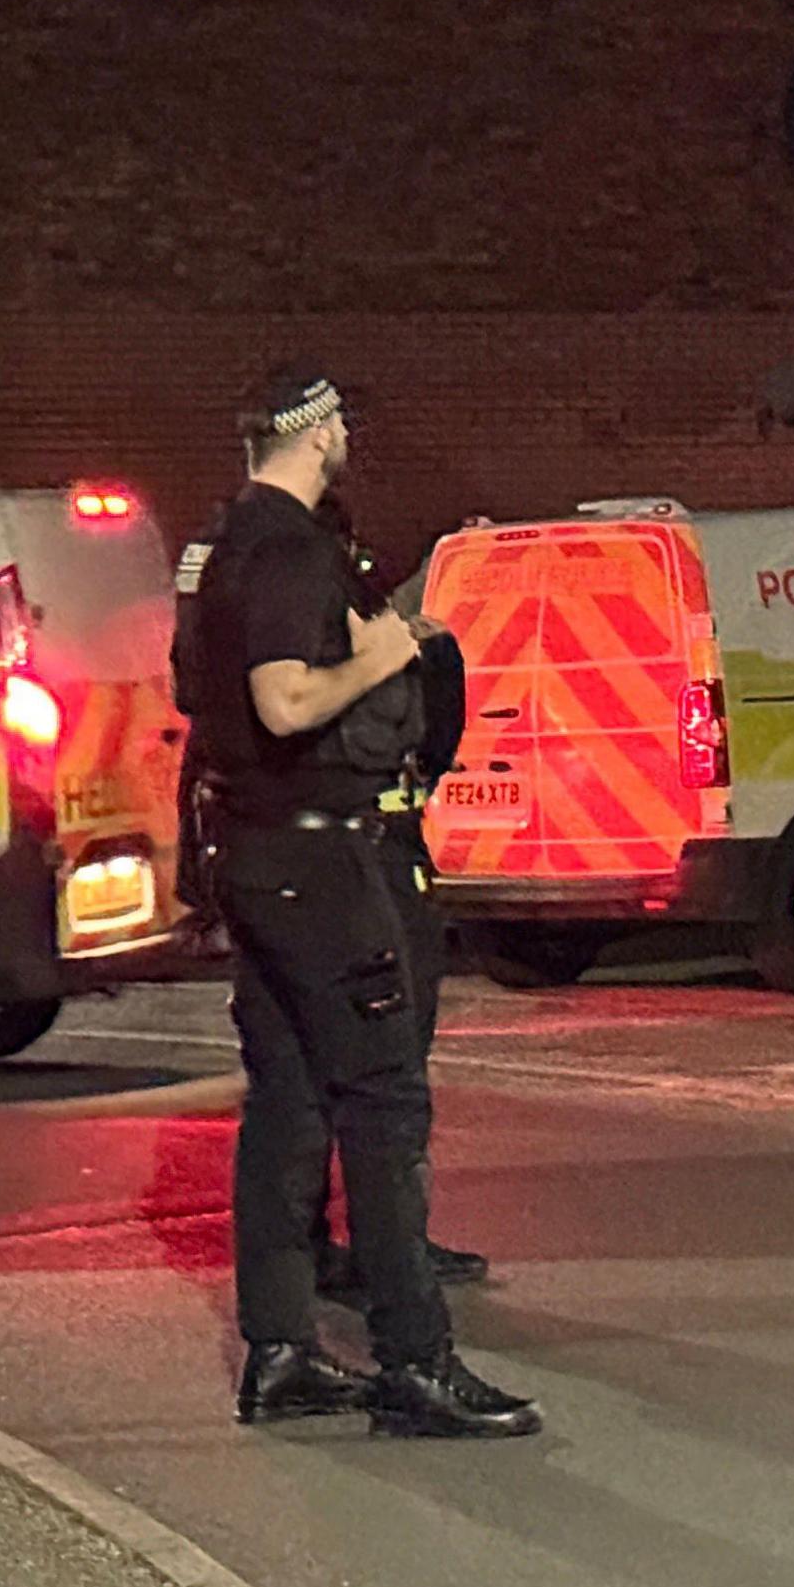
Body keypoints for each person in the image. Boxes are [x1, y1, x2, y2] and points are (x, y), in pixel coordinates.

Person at [174, 374, 541, 1438]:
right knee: (383, 1105)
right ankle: (415, 1363)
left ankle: (281, 1352)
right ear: (314, 433)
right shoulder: (289, 547)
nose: (346, 438)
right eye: (338, 424)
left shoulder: (216, 548)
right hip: (320, 860)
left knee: (288, 1101)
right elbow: (282, 699)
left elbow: (201, 695)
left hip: (252, 848)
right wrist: (382, 653)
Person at [305, 493, 492, 1306]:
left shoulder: (272, 635)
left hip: (318, 864)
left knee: (312, 1076)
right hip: (373, 861)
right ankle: (393, 1251)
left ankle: (322, 1248)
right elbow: (420, 737)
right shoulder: (360, 642)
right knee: (388, 1071)